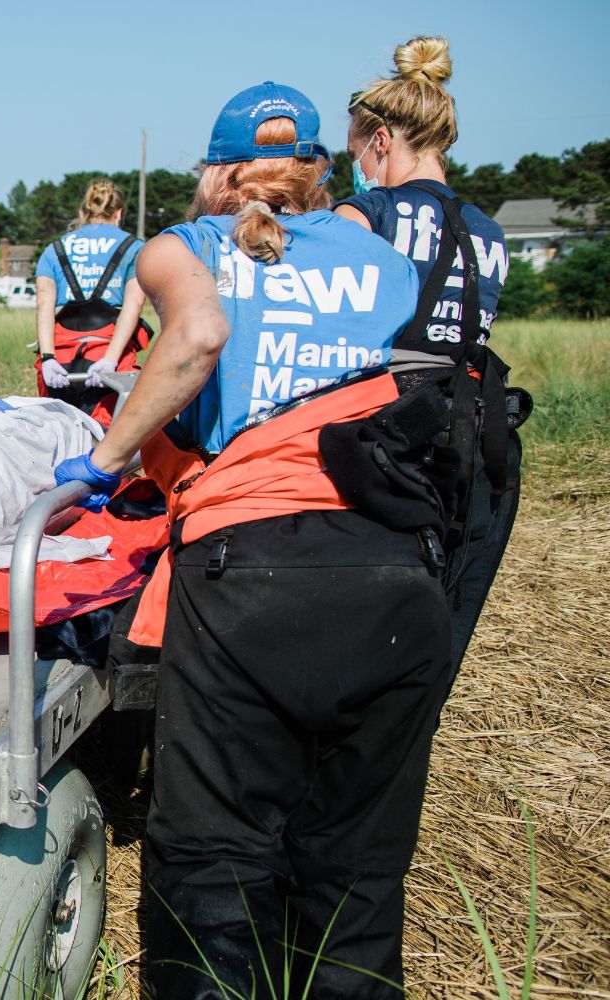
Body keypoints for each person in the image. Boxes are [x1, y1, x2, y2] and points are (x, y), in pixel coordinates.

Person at [54, 83, 443, 997]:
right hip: (393, 567)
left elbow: (197, 339)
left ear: (218, 171)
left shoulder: (186, 248)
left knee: (212, 863)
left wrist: (102, 464)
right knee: (353, 874)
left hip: (250, 572)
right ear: (320, 167)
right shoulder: (380, 256)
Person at [334, 36, 519, 673]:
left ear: (381, 140)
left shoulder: (367, 213)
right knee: (443, 621)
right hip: (473, 434)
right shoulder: (488, 229)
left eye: (356, 146)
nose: (354, 160)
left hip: (390, 434)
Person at [33, 178, 150, 418]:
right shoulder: (133, 248)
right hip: (109, 354)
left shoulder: (55, 250)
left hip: (61, 358)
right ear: (118, 213)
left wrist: (47, 358)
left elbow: (44, 304)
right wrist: (110, 360)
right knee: (108, 439)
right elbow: (134, 304)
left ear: (82, 212)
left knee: (59, 433)